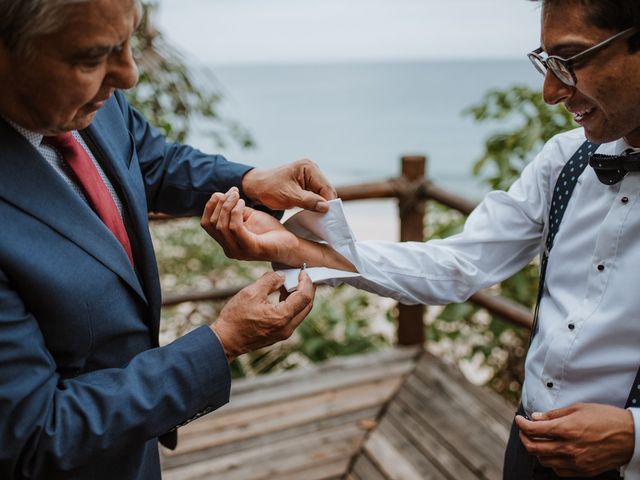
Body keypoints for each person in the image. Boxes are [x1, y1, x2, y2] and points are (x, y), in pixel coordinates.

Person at [203, 0, 640, 478]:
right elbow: (457, 265)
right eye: (546, 61)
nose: (550, 91)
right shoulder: (566, 161)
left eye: (571, 60)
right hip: (527, 450)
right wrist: (300, 251)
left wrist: (634, 437)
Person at [0, 0, 338, 478]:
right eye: (92, 58)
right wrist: (220, 344)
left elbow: (145, 157)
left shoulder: (87, 100)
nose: (129, 74)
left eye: (129, 42)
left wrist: (250, 180)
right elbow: (36, 433)